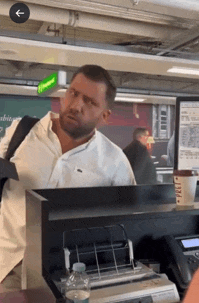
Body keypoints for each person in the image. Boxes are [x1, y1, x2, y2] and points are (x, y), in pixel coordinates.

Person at [0, 65, 136, 293]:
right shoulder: (21, 132)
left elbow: (129, 225)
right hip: (6, 266)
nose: (76, 106)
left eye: (90, 102)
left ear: (105, 115)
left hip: (65, 279)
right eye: (73, 93)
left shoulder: (114, 162)